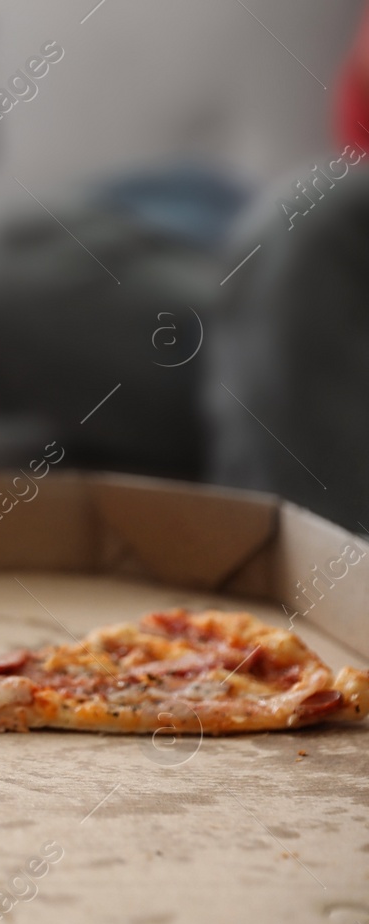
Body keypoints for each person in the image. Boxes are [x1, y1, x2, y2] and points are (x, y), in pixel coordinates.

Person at [201, 2, 369, 533]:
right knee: (14, 269)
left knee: (308, 214)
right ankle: (267, 401)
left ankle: (317, 599)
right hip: (313, 291)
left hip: (318, 243)